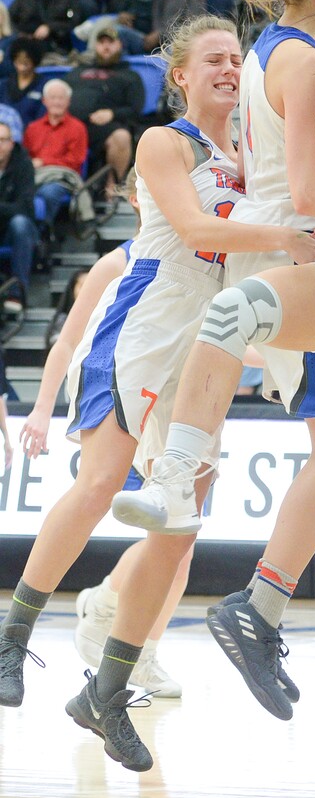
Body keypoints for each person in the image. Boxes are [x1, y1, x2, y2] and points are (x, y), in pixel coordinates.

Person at [0, 13, 315, 772]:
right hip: (144, 325)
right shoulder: (163, 141)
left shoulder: (251, 157)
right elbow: (193, 226)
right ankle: (12, 635)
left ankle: (106, 690)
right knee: (99, 485)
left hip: (204, 349)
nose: (226, 67)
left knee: (179, 531)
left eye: (234, 58)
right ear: (180, 75)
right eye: (212, 58)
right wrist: (283, 237)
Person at [110, 0, 315, 734]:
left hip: (271, 262)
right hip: (284, 262)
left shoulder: (274, 50)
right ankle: (251, 604)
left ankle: (147, 651)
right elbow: (303, 190)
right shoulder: (299, 62)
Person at [20, 171, 193, 696]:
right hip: (121, 386)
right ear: (138, 198)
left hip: (181, 392)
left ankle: (126, 626)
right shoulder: (115, 262)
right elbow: (67, 342)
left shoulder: (203, 259)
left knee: (181, 540)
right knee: (153, 523)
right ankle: (95, 627)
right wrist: (41, 409)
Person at [63, 26, 144, 182]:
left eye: (110, 42)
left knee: (121, 137)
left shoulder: (129, 76)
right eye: (101, 42)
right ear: (95, 46)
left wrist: (112, 114)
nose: (106, 46)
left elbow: (136, 109)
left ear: (120, 45)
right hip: (71, 124)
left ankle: (111, 191)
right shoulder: (78, 71)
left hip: (102, 128)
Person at [23, 78, 88, 223]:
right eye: (53, 98)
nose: (57, 102)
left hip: (62, 179)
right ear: (44, 101)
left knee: (48, 192)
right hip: (34, 176)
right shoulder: (33, 128)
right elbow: (24, 158)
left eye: (61, 98)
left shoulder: (78, 128)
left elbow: (75, 162)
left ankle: (43, 230)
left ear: (68, 101)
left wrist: (44, 162)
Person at [0, 119, 37, 308]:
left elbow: (25, 208)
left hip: (12, 232)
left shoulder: (23, 164)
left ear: (11, 143)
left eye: (2, 140)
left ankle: (17, 294)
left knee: (20, 224)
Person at [0, 38, 45, 129]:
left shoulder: (43, 86)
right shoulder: (3, 85)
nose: (21, 68)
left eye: (26, 63)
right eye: (18, 62)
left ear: (34, 62)